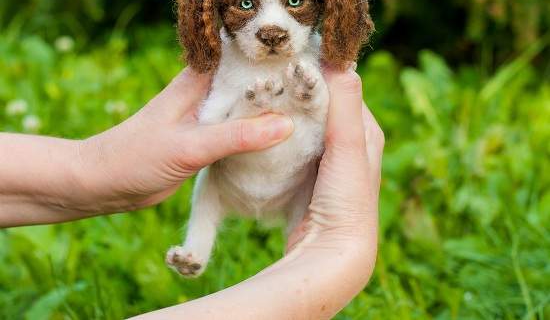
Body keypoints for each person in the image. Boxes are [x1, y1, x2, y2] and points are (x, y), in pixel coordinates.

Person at [0, 66, 384, 320]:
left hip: (288, 173)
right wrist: (330, 259)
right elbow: (215, 113)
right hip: (242, 175)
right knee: (211, 185)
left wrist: (91, 168)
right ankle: (199, 243)